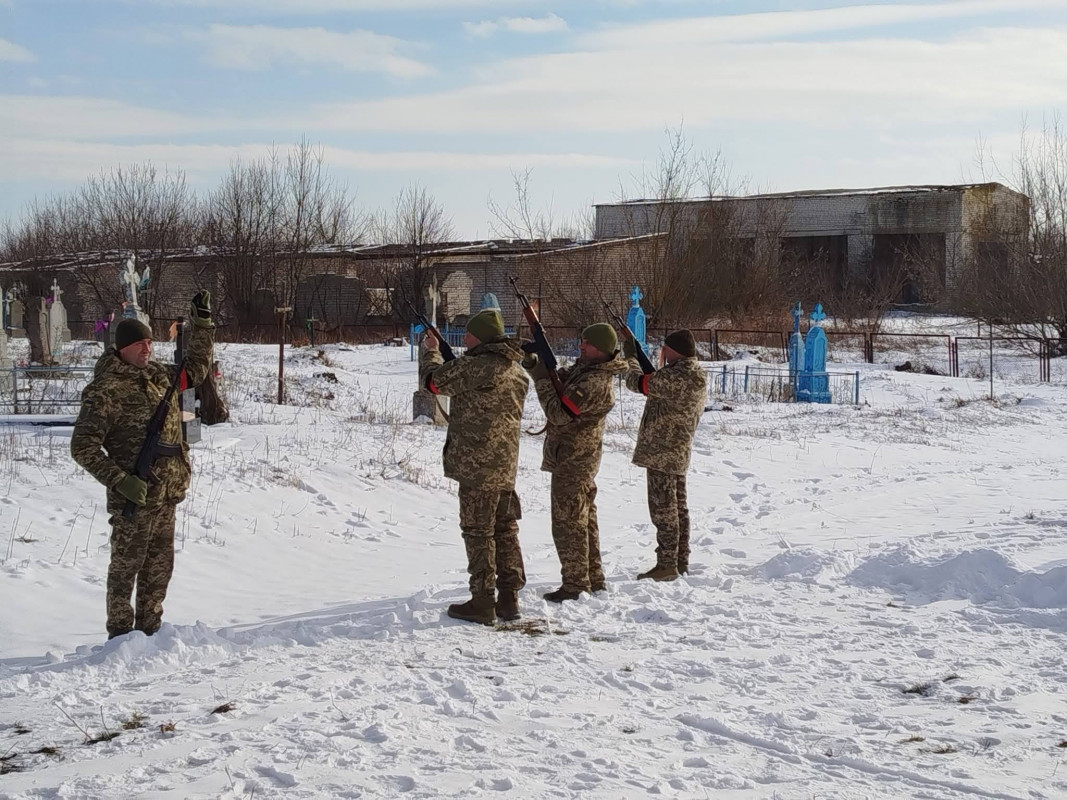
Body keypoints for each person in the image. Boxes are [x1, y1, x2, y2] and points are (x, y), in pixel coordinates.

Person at [71, 292, 215, 640]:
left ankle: (150, 633)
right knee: (125, 568)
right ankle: (120, 638)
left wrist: (202, 324)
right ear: (123, 348)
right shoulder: (104, 390)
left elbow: (196, 368)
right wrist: (120, 481)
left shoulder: (160, 376)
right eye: (140, 344)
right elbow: (83, 446)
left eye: (150, 342)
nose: (147, 350)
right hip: (133, 498)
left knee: (159, 568)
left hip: (166, 493)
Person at [420, 309, 529, 625]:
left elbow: (433, 383)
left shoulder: (474, 367)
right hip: (505, 465)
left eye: (469, 334)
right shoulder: (516, 372)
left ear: (480, 338)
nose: (464, 339)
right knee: (505, 529)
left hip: (477, 465)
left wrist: (431, 353)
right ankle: (509, 598)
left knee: (478, 531)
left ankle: (482, 600)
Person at [524, 323, 628, 602]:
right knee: (583, 521)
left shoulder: (594, 383)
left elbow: (559, 414)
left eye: (587, 344)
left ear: (602, 349)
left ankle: (575, 584)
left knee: (568, 523)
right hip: (575, 457)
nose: (581, 347)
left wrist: (540, 379)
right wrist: (539, 363)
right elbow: (561, 380)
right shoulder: (586, 371)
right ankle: (593, 578)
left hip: (575, 460)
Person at [622, 329, 707, 580]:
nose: (662, 353)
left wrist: (631, 356)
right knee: (679, 508)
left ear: (673, 351)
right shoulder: (694, 373)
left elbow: (636, 382)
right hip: (677, 451)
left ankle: (667, 563)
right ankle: (680, 560)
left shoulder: (675, 376)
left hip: (662, 452)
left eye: (665, 349)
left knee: (664, 510)